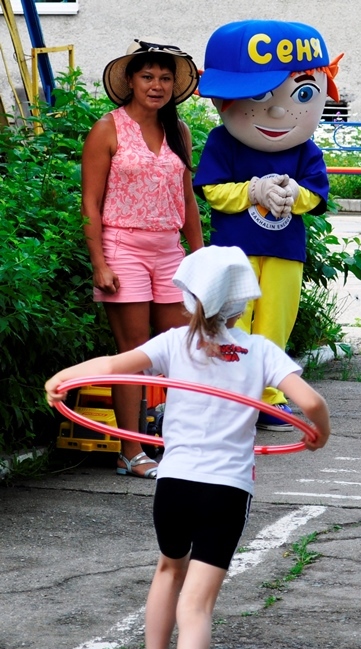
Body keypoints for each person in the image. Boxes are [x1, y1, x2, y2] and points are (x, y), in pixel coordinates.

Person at [44, 246, 331, 649]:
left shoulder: (174, 342)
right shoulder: (262, 350)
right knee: (197, 603)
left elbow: (112, 365)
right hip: (226, 490)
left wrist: (63, 379)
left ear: (189, 298)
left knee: (167, 571)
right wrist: (318, 434)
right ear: (244, 302)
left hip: (175, 482)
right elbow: (309, 404)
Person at [194, 20, 338, 431]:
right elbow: (212, 190)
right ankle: (232, 396)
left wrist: (294, 194)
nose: (277, 110)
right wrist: (252, 191)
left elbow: (316, 195)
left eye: (301, 93)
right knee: (232, 320)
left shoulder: (306, 149)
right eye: (258, 94)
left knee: (276, 321)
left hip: (284, 250)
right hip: (234, 249)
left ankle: (269, 397)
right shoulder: (223, 142)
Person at [82, 40, 203, 478]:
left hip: (168, 249)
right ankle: (130, 450)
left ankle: (180, 439)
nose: (157, 86)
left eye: (165, 78)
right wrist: (100, 262)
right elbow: (91, 205)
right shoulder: (107, 129)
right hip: (123, 248)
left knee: (180, 351)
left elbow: (186, 200)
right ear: (130, 81)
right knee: (133, 352)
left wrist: (200, 259)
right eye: (148, 77)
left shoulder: (179, 131)